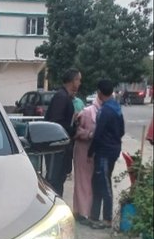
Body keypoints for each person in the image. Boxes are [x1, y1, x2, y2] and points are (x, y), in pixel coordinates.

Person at [88, 79, 125, 229]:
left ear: (99, 92)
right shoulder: (116, 107)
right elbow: (122, 131)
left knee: (104, 184)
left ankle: (107, 219)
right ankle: (94, 216)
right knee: (97, 182)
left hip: (104, 151)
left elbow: (98, 134)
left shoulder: (105, 111)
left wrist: (90, 152)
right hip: (113, 148)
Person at [44, 68, 82, 196]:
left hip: (63, 148)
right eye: (78, 80)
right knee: (54, 181)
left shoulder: (66, 97)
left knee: (59, 179)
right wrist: (74, 130)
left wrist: (73, 120)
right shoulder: (61, 97)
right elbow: (56, 123)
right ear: (73, 81)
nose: (80, 83)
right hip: (56, 148)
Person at [72, 94, 102, 223]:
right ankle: (81, 211)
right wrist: (89, 134)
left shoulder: (103, 112)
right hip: (83, 150)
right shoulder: (87, 112)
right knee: (82, 181)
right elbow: (76, 131)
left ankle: (86, 211)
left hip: (94, 152)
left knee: (90, 182)